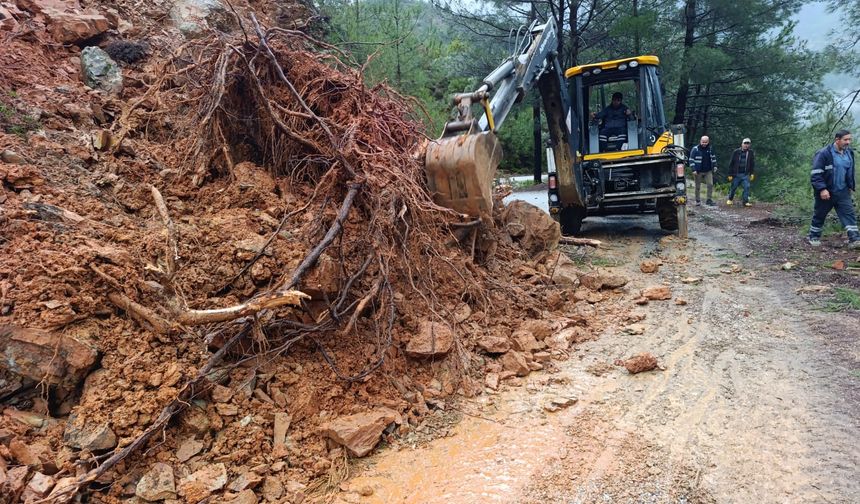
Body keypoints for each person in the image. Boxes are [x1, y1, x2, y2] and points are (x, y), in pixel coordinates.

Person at [807, 129, 859, 248]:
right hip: (827, 191)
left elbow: (849, 171)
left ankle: (855, 240)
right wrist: (822, 189)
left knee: (849, 214)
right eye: (845, 139)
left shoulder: (849, 153)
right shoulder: (824, 153)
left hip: (843, 191)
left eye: (849, 139)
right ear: (837, 140)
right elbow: (816, 173)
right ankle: (814, 237)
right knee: (820, 214)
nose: (848, 142)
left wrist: (850, 186)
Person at [727, 138, 756, 207]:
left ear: (749, 145)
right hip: (736, 174)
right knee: (733, 187)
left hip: (745, 174)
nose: (746, 145)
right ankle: (730, 199)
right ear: (742, 144)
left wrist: (752, 173)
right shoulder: (736, 152)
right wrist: (730, 174)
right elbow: (731, 163)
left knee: (747, 187)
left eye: (748, 144)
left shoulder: (750, 153)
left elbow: (752, 163)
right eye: (745, 143)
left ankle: (745, 202)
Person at [689, 135, 717, 206]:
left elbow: (713, 158)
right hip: (698, 171)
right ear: (700, 141)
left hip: (708, 170)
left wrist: (715, 166)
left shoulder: (710, 149)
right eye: (703, 142)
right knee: (698, 186)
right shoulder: (695, 149)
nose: (704, 143)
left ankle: (709, 200)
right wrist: (693, 169)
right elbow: (691, 160)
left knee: (710, 184)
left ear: (708, 142)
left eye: (706, 142)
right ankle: (697, 200)